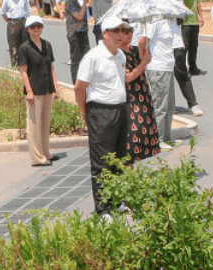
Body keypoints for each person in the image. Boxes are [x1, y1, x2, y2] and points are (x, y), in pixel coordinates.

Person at [74, 16, 131, 218]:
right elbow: (80, 87)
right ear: (105, 33)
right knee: (101, 163)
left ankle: (116, 201)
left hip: (120, 110)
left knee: (118, 160)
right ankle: (103, 209)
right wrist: (85, 113)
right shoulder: (93, 56)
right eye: (116, 31)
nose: (121, 35)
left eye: (123, 31)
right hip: (100, 111)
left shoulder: (120, 56)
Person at [152, 0, 202, 117]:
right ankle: (167, 105)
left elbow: (181, 15)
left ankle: (193, 104)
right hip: (159, 44)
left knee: (181, 72)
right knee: (163, 76)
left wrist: (171, 14)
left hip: (174, 41)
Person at [17, 16, 66, 167]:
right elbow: (24, 71)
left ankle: (46, 153)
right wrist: (29, 91)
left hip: (47, 88)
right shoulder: (24, 48)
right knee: (34, 125)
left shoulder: (47, 45)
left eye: (39, 26)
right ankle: (37, 158)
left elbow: (51, 67)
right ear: (28, 29)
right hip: (35, 90)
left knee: (45, 123)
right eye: (33, 26)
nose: (36, 29)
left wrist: (56, 87)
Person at [119, 23, 160, 161]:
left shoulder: (134, 50)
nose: (129, 34)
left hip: (142, 93)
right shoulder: (119, 54)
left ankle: (134, 167)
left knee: (146, 128)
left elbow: (144, 61)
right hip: (130, 96)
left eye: (130, 31)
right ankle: (128, 166)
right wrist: (143, 64)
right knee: (133, 131)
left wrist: (145, 56)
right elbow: (128, 77)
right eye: (125, 32)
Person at [175, 0, 206, 76]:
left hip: (194, 22)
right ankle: (181, 69)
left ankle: (193, 67)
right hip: (184, 22)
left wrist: (201, 16)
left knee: (194, 47)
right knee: (184, 47)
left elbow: (198, 2)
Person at [65, 0, 97, 83]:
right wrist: (85, 4)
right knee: (76, 59)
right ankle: (75, 82)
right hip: (74, 33)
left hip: (82, 31)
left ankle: (86, 79)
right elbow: (79, 16)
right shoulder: (70, 1)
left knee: (87, 56)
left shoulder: (76, 0)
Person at [1, 0, 31, 65]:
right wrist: (9, 22)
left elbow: (28, 11)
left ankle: (25, 64)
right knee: (13, 45)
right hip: (13, 24)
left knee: (25, 44)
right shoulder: (7, 0)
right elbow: (3, 13)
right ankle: (14, 66)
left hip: (23, 22)